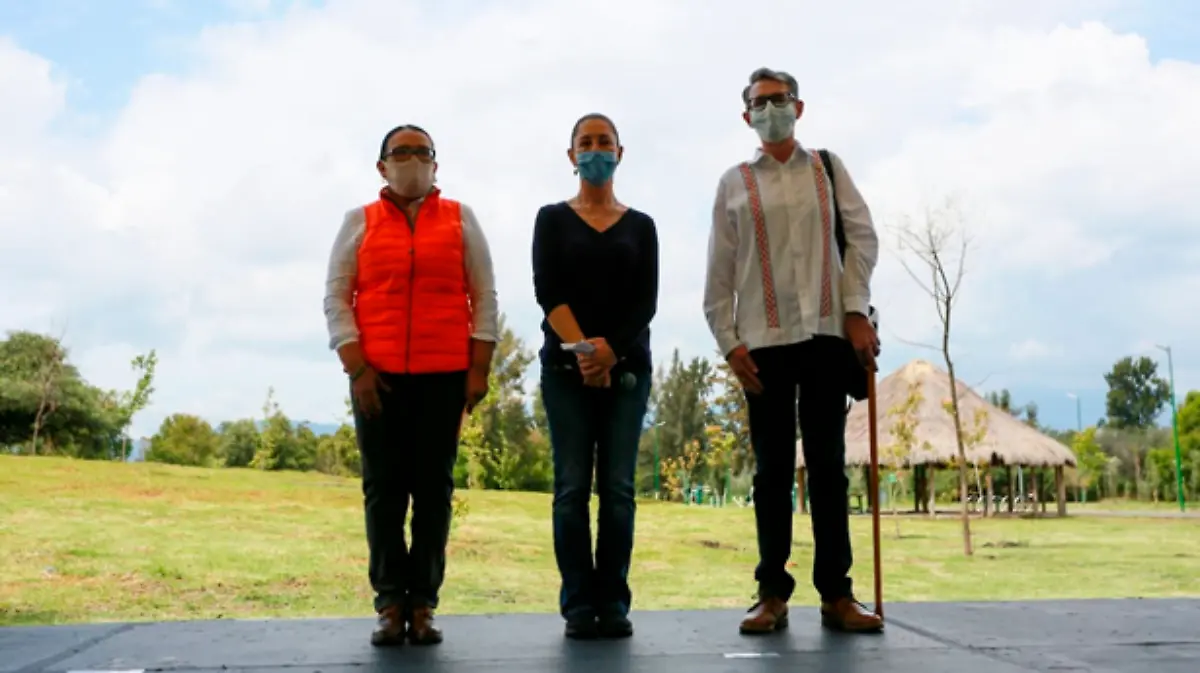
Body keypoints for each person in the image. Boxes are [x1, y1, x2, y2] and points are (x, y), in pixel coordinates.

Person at [702, 68, 884, 634]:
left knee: (828, 469)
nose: (770, 109)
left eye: (779, 99)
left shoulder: (827, 168)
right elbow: (719, 270)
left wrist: (855, 309)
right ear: (746, 115)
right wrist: (729, 343)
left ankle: (837, 595)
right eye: (759, 103)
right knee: (772, 472)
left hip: (827, 335)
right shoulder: (733, 182)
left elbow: (862, 237)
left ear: (798, 107)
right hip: (763, 345)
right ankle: (771, 594)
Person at [323, 124, 499, 647]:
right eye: (401, 152)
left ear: (436, 165)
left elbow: (484, 295)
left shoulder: (461, 219)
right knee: (383, 493)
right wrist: (357, 368)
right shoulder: (359, 222)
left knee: (433, 493)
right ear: (382, 166)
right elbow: (336, 298)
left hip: (443, 379)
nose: (413, 160)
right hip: (376, 380)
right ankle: (389, 604)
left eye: (422, 152)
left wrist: (479, 367)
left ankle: (423, 604)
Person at [531, 112, 659, 640]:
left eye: (605, 141)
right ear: (571, 155)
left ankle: (614, 602)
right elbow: (548, 292)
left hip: (627, 374)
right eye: (586, 142)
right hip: (566, 371)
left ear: (620, 153)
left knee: (618, 490)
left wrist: (611, 353)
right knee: (571, 489)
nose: (595, 149)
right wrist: (586, 353)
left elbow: (645, 302)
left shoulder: (642, 226)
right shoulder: (551, 219)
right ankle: (579, 605)